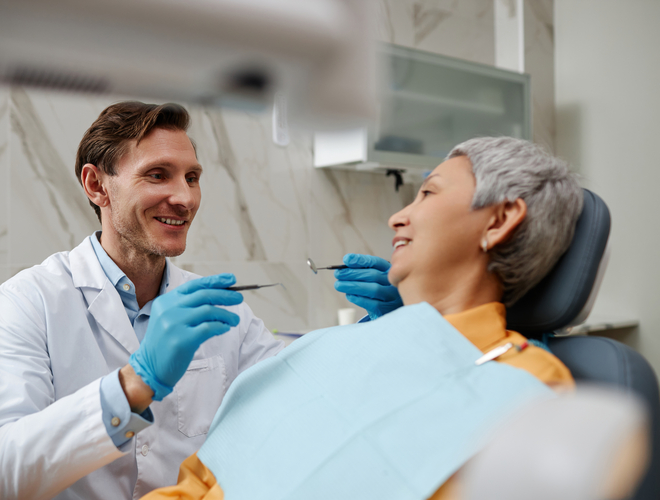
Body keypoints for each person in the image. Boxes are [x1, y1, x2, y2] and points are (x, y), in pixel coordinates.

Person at [140, 136, 583, 500]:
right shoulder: (331, 346)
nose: (397, 216)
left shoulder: (525, 385)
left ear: (499, 219)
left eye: (427, 192)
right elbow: (200, 481)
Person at [0, 102, 290, 499]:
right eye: (157, 175)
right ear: (97, 186)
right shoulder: (33, 299)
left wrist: (379, 329)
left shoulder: (221, 305)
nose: (185, 198)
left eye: (192, 177)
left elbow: (298, 400)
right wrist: (135, 384)